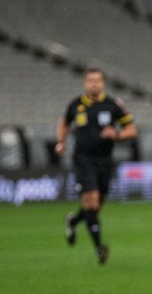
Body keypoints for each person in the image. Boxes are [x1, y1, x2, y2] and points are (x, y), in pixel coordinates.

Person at [56, 68, 137, 265]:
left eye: (97, 80)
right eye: (90, 80)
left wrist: (116, 135)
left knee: (95, 207)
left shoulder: (113, 105)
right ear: (85, 83)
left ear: (103, 83)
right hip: (83, 160)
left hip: (105, 162)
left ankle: (73, 221)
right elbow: (64, 123)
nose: (94, 84)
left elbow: (132, 130)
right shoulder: (76, 105)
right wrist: (61, 142)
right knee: (91, 201)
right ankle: (100, 248)